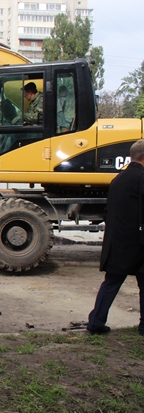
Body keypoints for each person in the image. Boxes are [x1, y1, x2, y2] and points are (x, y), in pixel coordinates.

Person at [87, 139, 144, 335]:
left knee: (111, 283)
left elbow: (108, 212)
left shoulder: (117, 179)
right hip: (138, 243)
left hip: (117, 243)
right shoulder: (142, 177)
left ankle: (95, 322)